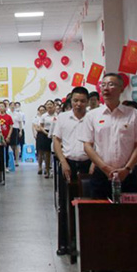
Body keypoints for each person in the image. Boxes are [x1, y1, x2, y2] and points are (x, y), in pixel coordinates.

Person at [82, 73, 137, 272]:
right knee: (102, 227)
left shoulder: (134, 115)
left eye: (111, 84)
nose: (106, 88)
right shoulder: (93, 115)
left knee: (131, 227)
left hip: (128, 178)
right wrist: (104, 167)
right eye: (103, 84)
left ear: (121, 88)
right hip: (102, 178)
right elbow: (88, 146)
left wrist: (127, 168)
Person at [52, 87, 91, 256]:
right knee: (65, 203)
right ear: (71, 101)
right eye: (75, 100)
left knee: (88, 204)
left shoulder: (92, 117)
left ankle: (86, 243)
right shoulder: (63, 117)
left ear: (87, 102)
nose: (78, 104)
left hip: (88, 164)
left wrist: (94, 163)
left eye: (82, 101)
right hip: (68, 164)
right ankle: (64, 243)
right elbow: (56, 140)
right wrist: (63, 162)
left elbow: (98, 142)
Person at [36, 100, 56, 178]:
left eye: (51, 104)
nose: (49, 106)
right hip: (45, 134)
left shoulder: (57, 115)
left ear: (54, 106)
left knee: (54, 153)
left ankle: (54, 170)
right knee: (47, 153)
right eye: (48, 105)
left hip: (55, 133)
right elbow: (41, 126)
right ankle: (47, 171)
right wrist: (47, 133)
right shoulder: (44, 116)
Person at [0, 103, 14, 170]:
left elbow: (11, 127)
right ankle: (0, 166)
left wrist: (8, 136)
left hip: (7, 137)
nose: (1, 107)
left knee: (6, 152)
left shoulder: (8, 117)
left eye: (2, 106)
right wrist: (1, 138)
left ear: (5, 108)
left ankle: (6, 166)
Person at [10, 102, 23, 166]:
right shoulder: (7, 113)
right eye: (11, 105)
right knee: (10, 146)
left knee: (16, 145)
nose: (12, 106)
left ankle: (17, 161)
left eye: (14, 105)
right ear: (9, 106)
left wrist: (20, 131)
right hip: (9, 130)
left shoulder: (18, 114)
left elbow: (20, 123)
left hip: (16, 129)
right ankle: (11, 160)